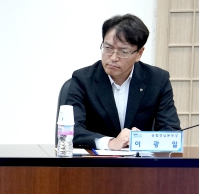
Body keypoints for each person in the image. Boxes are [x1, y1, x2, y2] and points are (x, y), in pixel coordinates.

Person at [69, 14, 180, 149]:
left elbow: (171, 131)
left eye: (123, 52)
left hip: (139, 161)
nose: (113, 57)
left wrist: (142, 139)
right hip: (95, 160)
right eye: (108, 48)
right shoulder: (82, 79)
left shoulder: (157, 80)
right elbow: (70, 130)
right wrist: (110, 143)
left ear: (139, 53)